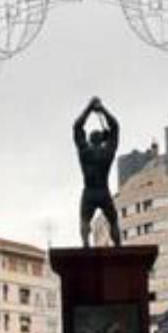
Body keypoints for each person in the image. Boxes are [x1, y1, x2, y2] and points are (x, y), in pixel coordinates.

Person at [73, 96, 121, 247]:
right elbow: (115, 127)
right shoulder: (107, 152)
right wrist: (102, 110)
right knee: (113, 220)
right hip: (103, 190)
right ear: (102, 140)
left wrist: (89, 108)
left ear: (89, 140)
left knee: (84, 220)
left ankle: (85, 243)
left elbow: (77, 127)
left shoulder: (84, 151)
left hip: (89, 191)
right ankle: (118, 245)